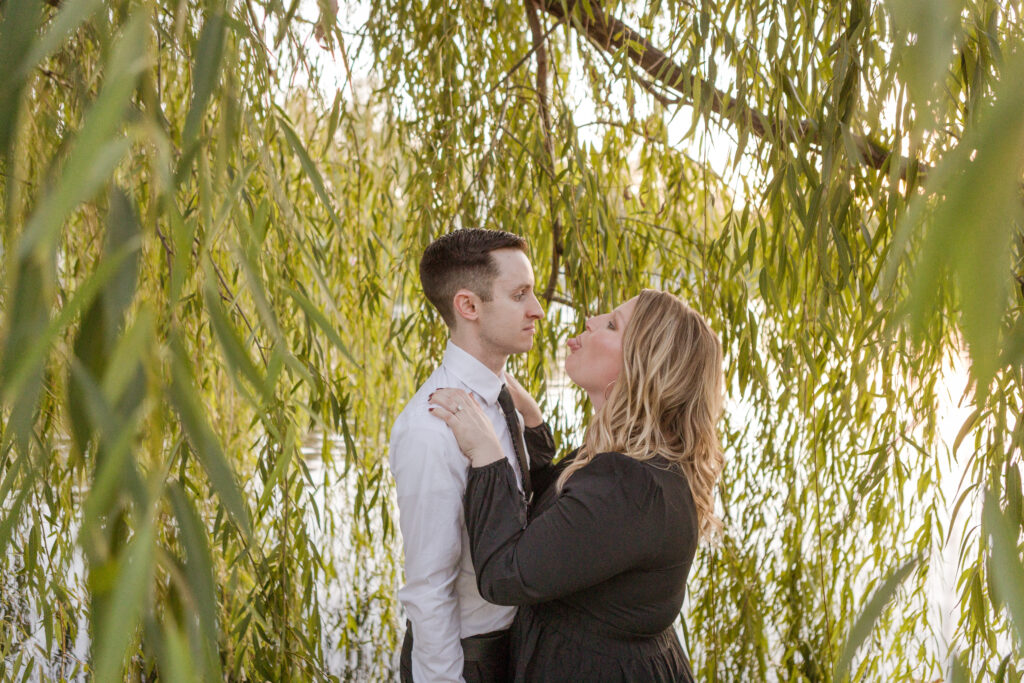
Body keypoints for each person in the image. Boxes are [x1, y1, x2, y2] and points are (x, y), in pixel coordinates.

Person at [428, 289, 724, 682]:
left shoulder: (631, 487)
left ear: (640, 368)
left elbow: (505, 574)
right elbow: (563, 518)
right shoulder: (639, 460)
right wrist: (531, 425)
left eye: (612, 324)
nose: (591, 317)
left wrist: (487, 454)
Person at [389, 228, 550, 682]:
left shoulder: (503, 402)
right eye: (520, 295)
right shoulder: (432, 428)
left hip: (516, 645)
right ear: (469, 306)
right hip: (468, 661)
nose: (537, 310)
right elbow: (429, 589)